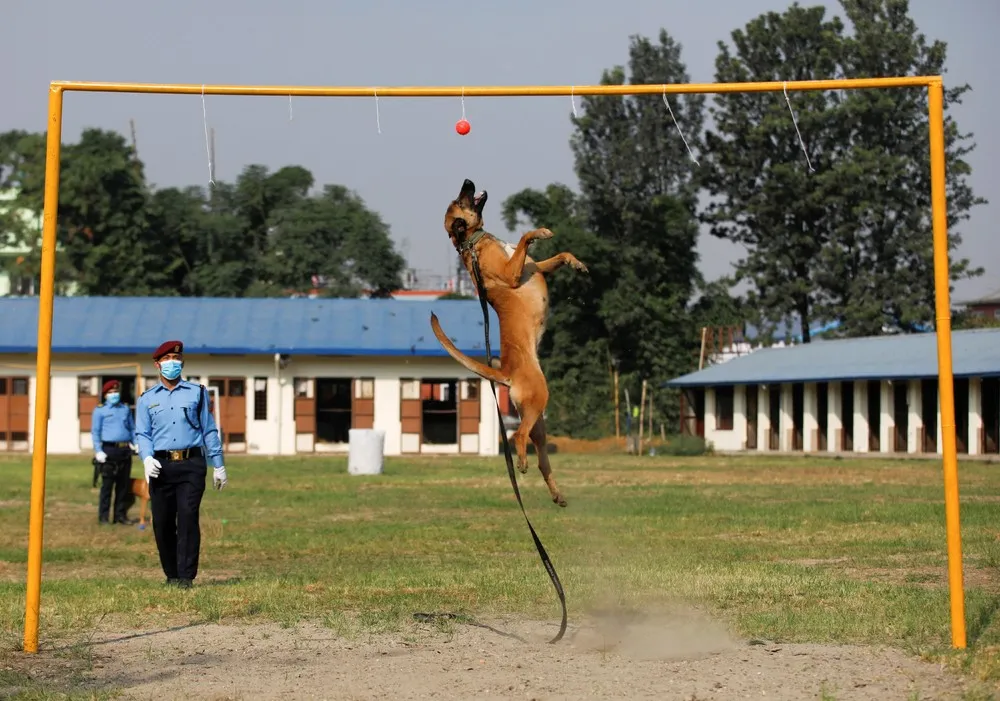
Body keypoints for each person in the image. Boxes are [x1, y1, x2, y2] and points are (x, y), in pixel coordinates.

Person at [136, 340, 228, 589]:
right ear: (157, 364)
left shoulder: (197, 392)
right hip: (161, 466)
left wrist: (218, 464)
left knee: (188, 517)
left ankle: (186, 576)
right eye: (167, 360)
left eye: (176, 359)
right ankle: (171, 574)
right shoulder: (146, 399)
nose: (172, 364)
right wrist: (146, 458)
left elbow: (209, 430)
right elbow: (142, 434)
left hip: (191, 464)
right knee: (163, 521)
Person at [91, 379, 138, 526]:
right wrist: (98, 450)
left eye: (115, 392)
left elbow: (132, 428)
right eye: (110, 392)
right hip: (109, 450)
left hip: (124, 450)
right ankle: (104, 517)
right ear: (105, 395)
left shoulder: (125, 409)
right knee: (107, 486)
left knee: (123, 486)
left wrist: (135, 443)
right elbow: (95, 432)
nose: (114, 394)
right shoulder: (100, 410)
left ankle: (120, 515)